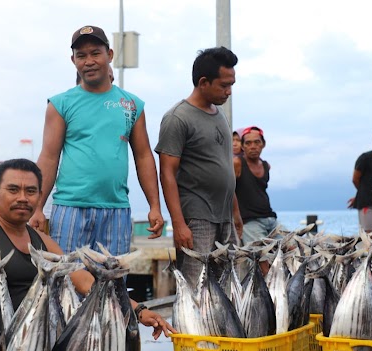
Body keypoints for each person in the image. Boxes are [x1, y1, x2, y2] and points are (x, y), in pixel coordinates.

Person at [0, 158, 174, 339]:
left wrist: (138, 310)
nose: (22, 198)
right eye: (13, 190)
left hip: (36, 344)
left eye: (30, 191)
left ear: (40, 196)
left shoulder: (41, 241)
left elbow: (86, 282)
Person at [30, 25, 164, 257]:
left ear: (109, 55)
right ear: (73, 60)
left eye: (95, 53)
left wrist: (154, 206)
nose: (88, 61)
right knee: (68, 283)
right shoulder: (60, 104)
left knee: (112, 285)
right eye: (81, 56)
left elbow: (143, 156)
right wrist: (38, 207)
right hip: (70, 208)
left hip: (117, 210)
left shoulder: (132, 105)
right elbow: (49, 157)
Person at [155, 46, 243, 287]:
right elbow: (167, 174)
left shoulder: (220, 114)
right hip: (197, 218)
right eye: (224, 85)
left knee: (228, 287)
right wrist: (179, 225)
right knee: (197, 289)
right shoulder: (177, 118)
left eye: (232, 84)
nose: (229, 91)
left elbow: (224, 168)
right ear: (203, 82)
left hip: (224, 217)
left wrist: (235, 212)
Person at [234, 125, 278, 244]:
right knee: (260, 256)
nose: (253, 146)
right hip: (249, 221)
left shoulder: (266, 166)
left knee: (292, 248)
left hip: (270, 217)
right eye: (248, 143)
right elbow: (228, 191)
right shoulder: (237, 163)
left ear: (263, 144)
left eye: (257, 142)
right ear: (243, 146)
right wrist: (236, 218)